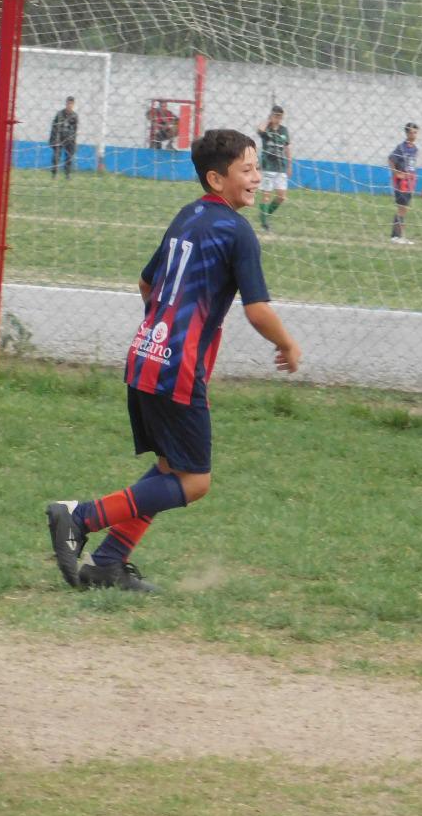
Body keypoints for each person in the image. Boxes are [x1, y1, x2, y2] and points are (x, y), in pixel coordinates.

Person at [44, 129, 302, 592]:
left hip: (145, 355)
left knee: (170, 469)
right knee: (195, 481)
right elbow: (258, 309)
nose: (257, 177)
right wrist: (287, 345)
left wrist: (164, 327)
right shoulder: (238, 231)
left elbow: (147, 283)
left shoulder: (188, 215)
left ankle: (108, 562)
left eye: (257, 167)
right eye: (247, 169)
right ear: (216, 179)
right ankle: (79, 516)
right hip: (177, 369)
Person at [256, 105, 293, 231]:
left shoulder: (284, 131)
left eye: (280, 116)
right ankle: (265, 223)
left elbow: (287, 148)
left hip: (281, 167)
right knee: (266, 195)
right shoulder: (267, 129)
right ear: (272, 115)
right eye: (276, 115)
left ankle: (265, 215)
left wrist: (289, 165)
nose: (278, 118)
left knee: (281, 196)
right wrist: (268, 120)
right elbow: (259, 129)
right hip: (268, 167)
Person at [388, 122, 420, 243]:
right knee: (401, 209)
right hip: (402, 182)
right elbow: (391, 159)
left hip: (410, 181)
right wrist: (396, 173)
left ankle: (397, 236)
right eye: (411, 132)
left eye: (416, 132)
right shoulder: (401, 147)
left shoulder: (415, 149)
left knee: (404, 209)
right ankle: (397, 237)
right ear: (406, 133)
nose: (414, 135)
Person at [49, 96, 78, 179]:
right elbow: (54, 127)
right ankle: (54, 174)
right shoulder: (60, 114)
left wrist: (74, 141)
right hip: (59, 137)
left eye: (71, 104)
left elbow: (75, 130)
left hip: (69, 139)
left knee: (69, 157)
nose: (69, 105)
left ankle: (67, 174)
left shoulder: (74, 116)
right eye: (68, 103)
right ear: (66, 103)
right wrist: (53, 140)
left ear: (73, 105)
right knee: (56, 157)